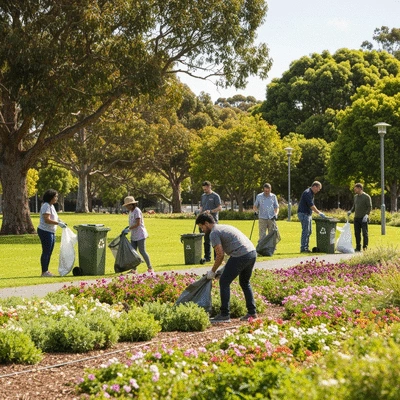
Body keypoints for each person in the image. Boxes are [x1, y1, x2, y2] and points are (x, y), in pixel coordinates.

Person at [196, 213, 257, 323]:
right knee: (244, 282)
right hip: (251, 253)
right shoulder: (224, 227)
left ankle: (224, 314)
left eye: (202, 227)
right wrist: (223, 269)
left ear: (206, 223)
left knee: (224, 282)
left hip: (241, 255)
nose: (202, 230)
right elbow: (233, 251)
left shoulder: (214, 233)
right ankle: (252, 312)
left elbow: (220, 255)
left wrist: (212, 271)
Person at [37, 189, 67, 277]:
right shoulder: (46, 206)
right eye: (55, 196)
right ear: (51, 197)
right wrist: (58, 223)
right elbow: (47, 220)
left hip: (51, 231)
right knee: (46, 251)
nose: (56, 198)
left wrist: (60, 221)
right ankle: (44, 271)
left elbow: (54, 217)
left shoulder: (51, 206)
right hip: (45, 231)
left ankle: (46, 270)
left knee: (49, 251)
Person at [122, 196, 153, 273]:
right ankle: (134, 269)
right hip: (134, 235)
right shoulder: (131, 212)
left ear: (132, 205)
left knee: (142, 251)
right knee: (133, 252)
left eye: (128, 205)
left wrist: (129, 229)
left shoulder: (137, 211)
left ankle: (150, 267)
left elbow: (138, 223)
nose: (127, 207)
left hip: (140, 234)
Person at [297, 181, 326, 253]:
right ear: (314, 186)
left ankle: (306, 247)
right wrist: (319, 213)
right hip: (304, 214)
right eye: (318, 189)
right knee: (305, 231)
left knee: (309, 231)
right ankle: (303, 248)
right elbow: (311, 205)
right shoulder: (307, 193)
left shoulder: (311, 193)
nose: (318, 191)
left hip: (308, 214)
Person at [198, 181, 222, 262]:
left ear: (209, 187)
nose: (204, 190)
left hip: (213, 220)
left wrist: (211, 211)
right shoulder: (203, 196)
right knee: (206, 240)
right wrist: (199, 213)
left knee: (215, 239)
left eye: (206, 188)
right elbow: (201, 206)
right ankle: (207, 257)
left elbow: (219, 208)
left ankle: (217, 256)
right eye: (203, 188)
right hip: (204, 221)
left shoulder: (215, 196)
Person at [347, 183, 372, 252]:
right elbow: (354, 206)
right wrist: (350, 211)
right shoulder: (355, 197)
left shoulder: (366, 197)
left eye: (356, 189)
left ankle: (365, 247)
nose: (354, 190)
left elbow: (369, 207)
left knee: (365, 233)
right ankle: (358, 247)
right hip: (356, 218)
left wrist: (366, 215)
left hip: (363, 218)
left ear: (360, 188)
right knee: (357, 233)